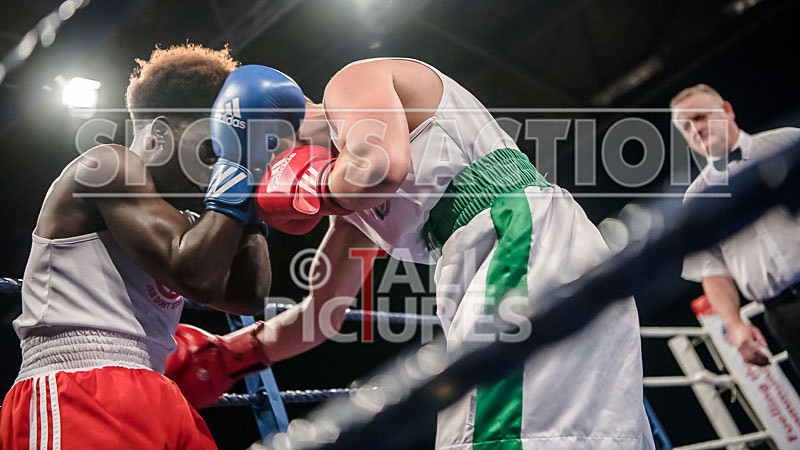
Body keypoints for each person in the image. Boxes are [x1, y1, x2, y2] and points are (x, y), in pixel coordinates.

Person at [171, 58, 654, 449]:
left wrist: (306, 187)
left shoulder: (351, 85)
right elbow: (322, 315)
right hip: (516, 258)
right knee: (592, 434)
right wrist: (233, 354)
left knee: (494, 435)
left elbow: (380, 166)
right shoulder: (354, 217)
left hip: (519, 241)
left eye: (264, 171)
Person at [0, 44, 296, 449]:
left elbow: (248, 295)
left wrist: (254, 193)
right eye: (213, 147)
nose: (215, 165)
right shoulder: (107, 165)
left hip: (156, 389)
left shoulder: (188, 224)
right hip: (77, 386)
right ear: (158, 133)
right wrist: (239, 167)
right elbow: (196, 276)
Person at [672, 83, 800, 375]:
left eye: (701, 117)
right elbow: (712, 271)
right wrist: (734, 325)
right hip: (783, 313)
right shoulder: (695, 200)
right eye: (686, 127)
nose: (696, 129)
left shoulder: (787, 144)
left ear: (727, 110)